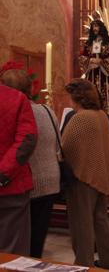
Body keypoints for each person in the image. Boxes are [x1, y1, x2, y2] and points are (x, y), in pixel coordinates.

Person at [1, 68, 60, 257]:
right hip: (18, 184)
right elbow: (26, 140)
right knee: (15, 251)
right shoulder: (22, 102)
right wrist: (3, 174)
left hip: (20, 183)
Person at [62, 78, 109, 270]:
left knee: (82, 223)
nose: (68, 100)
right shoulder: (101, 114)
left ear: (77, 97)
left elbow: (65, 147)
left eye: (70, 96)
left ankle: (83, 264)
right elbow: (107, 147)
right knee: (100, 220)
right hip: (100, 174)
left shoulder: (80, 118)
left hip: (83, 177)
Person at [0, 76, 37, 255]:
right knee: (12, 254)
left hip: (10, 189)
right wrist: (3, 174)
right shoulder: (16, 98)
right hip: (10, 185)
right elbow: (27, 140)